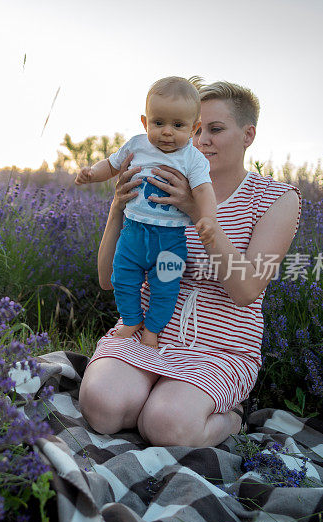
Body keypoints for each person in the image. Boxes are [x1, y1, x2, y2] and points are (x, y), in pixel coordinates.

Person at [78, 80, 302, 447]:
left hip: (219, 348)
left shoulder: (274, 198)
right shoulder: (156, 179)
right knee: (101, 408)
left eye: (216, 130)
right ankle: (152, 399)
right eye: (198, 129)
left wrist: (196, 209)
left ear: (248, 135)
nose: (202, 140)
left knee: (168, 426)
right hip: (145, 333)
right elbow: (107, 279)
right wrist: (118, 209)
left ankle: (230, 418)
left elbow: (245, 290)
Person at [75, 76, 217, 349]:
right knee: (122, 277)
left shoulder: (193, 159)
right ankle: (131, 320)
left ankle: (152, 329)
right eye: (158, 123)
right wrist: (92, 174)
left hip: (170, 239)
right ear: (145, 122)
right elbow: (112, 165)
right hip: (133, 232)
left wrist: (208, 218)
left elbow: (203, 191)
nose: (166, 132)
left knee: (166, 287)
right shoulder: (137, 145)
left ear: (194, 128)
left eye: (178, 126)